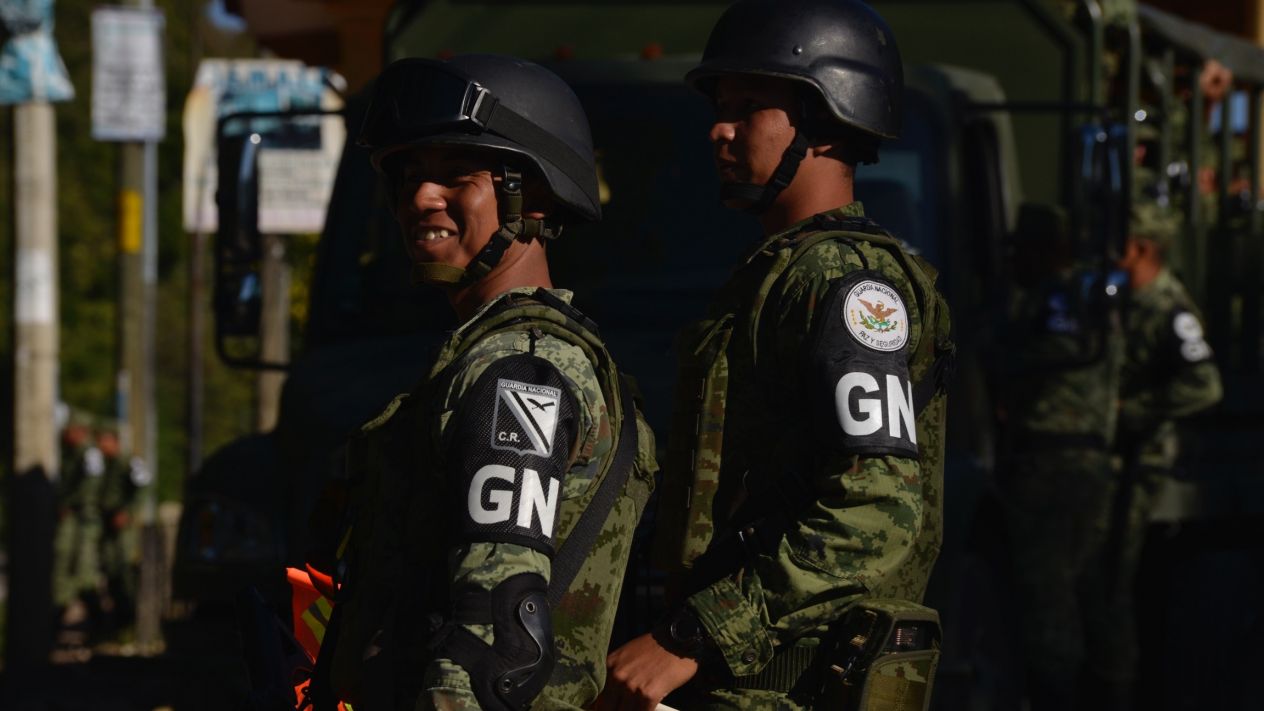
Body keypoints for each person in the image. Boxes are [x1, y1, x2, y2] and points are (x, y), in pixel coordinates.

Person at [599, 2, 953, 709]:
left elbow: (875, 512)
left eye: (749, 106)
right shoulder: (780, 272)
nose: (718, 129)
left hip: (795, 689)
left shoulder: (849, 286)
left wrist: (690, 636)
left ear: (826, 120)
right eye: (721, 107)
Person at [310, 54, 657, 711]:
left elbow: (499, 637)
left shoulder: (518, 371)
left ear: (535, 194)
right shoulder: (504, 354)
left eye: (454, 175)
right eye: (409, 175)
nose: (419, 198)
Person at [1079, 203, 1222, 709]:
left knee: (1115, 577)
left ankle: (1118, 687)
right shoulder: (1120, 298)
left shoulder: (1169, 306)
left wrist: (1133, 411)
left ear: (1139, 246)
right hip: (1111, 457)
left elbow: (1204, 385)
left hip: (1143, 460)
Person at [995, 203, 1124, 711]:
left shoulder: (1060, 300)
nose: (1013, 262)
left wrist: (990, 349)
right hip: (1080, 463)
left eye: (1021, 251)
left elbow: (1045, 354)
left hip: (1053, 464)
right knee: (1089, 594)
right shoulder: (1079, 296)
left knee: (1049, 601)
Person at [51, 415, 106, 642]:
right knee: (62, 568)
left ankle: (101, 625)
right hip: (71, 518)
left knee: (83, 573)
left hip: (84, 519)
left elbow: (91, 485)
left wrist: (70, 503)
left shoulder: (89, 453)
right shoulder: (66, 451)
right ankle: (54, 619)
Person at [96, 426, 144, 632]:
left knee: (125, 568)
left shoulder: (128, 462)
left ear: (115, 442)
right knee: (110, 567)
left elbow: (142, 487)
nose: (102, 446)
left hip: (123, 523)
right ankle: (119, 617)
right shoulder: (104, 464)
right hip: (107, 522)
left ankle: (131, 616)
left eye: (106, 441)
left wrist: (128, 512)